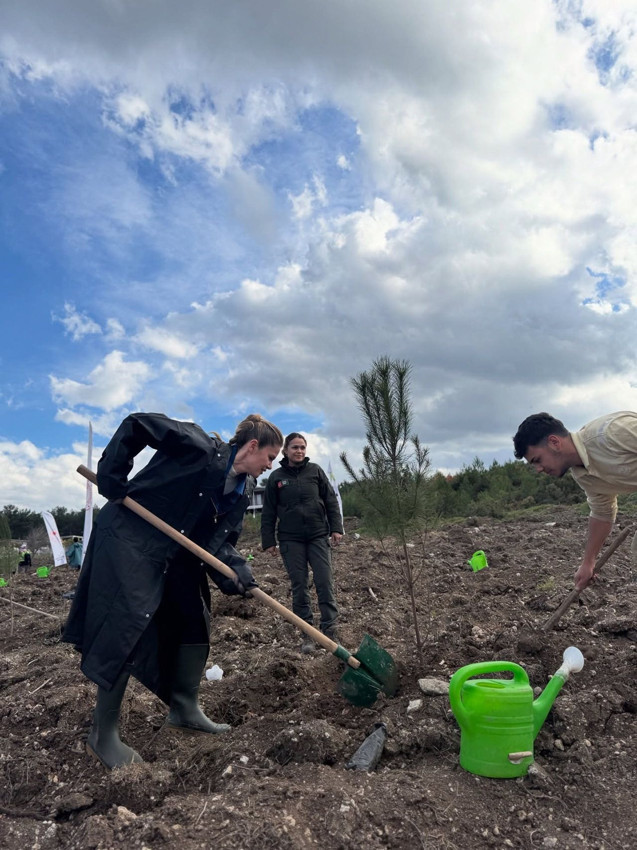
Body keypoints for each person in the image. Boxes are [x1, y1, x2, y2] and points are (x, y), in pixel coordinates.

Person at [63, 411, 283, 769]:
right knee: (130, 620)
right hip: (130, 538)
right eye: (270, 457)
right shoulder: (198, 445)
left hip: (171, 552)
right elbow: (138, 424)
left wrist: (237, 571)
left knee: (193, 615)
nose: (270, 465)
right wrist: (113, 476)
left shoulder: (241, 493)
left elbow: (216, 543)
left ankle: (184, 707)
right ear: (254, 446)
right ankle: (102, 734)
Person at [513, 411, 637, 591]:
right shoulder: (583, 476)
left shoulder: (610, 433)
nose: (538, 469)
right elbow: (603, 513)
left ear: (554, 442)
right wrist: (588, 563)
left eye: (537, 460)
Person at [261, 432, 343, 653]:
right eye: (295, 447)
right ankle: (307, 634)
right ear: (286, 450)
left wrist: (336, 527)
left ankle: (330, 630)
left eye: (302, 447)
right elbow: (268, 511)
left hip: (317, 535)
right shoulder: (276, 477)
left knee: (325, 582)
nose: (299, 451)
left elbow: (330, 500)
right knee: (299, 586)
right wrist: (268, 540)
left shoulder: (315, 471)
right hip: (290, 539)